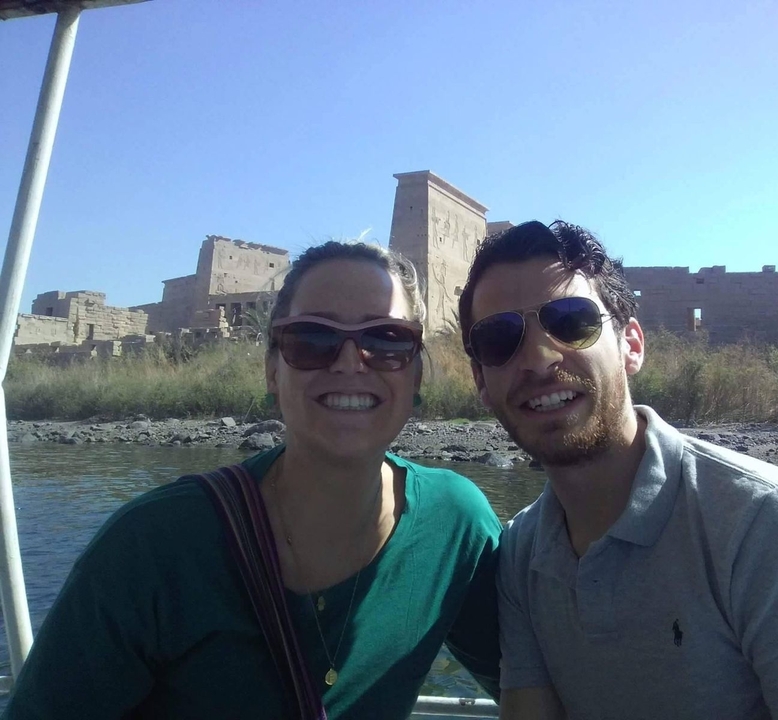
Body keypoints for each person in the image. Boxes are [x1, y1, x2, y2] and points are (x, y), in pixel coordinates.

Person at [4, 242, 501, 719]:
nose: (351, 362)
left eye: (387, 340)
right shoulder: (152, 546)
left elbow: (531, 679)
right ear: (271, 372)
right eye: (312, 339)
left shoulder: (456, 525)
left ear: (416, 376)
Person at [457, 220, 778, 720]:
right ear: (481, 380)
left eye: (570, 320)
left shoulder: (772, 527)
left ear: (631, 345)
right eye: (500, 338)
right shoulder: (522, 552)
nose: (539, 358)